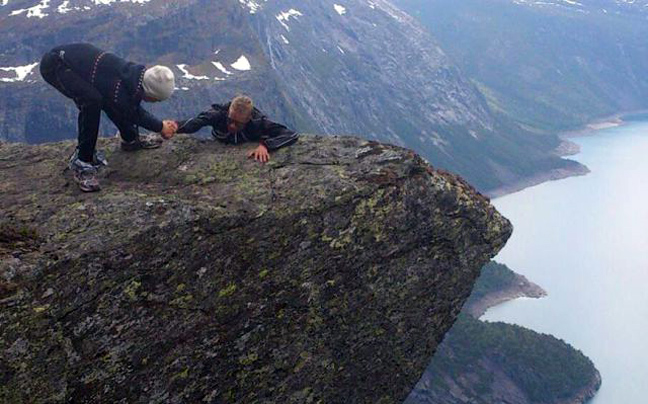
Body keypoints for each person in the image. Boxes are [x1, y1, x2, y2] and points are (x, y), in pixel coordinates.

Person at [40, 43, 179, 192]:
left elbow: (127, 105)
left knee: (108, 99)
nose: (155, 102)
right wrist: (161, 127)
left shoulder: (134, 75)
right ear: (150, 92)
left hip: (75, 60)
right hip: (56, 65)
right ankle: (82, 161)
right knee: (92, 101)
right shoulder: (118, 89)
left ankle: (130, 139)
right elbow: (133, 113)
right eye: (156, 99)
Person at [176, 96, 299, 162]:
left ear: (248, 119)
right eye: (230, 120)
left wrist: (266, 146)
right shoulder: (219, 114)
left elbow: (290, 135)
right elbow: (197, 122)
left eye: (238, 123)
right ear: (229, 111)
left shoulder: (258, 122)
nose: (232, 126)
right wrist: (174, 126)